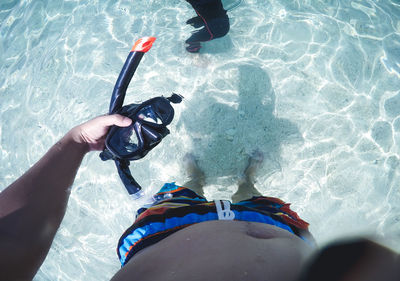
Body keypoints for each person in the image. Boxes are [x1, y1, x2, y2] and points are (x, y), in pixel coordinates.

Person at [0, 114, 314, 281]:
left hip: (162, 232)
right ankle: (246, 179)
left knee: (184, 192)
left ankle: (197, 177)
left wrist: (78, 141)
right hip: (276, 228)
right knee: (252, 197)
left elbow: (11, 241)